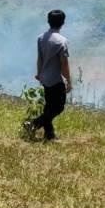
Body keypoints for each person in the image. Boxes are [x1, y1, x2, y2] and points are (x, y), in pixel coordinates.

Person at [24, 9, 72, 142]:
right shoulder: (62, 41)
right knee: (58, 107)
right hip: (56, 79)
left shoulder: (41, 38)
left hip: (45, 78)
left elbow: (40, 58)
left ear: (48, 21)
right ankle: (33, 124)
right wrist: (69, 81)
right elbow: (64, 65)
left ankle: (49, 134)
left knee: (49, 106)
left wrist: (39, 73)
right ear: (63, 23)